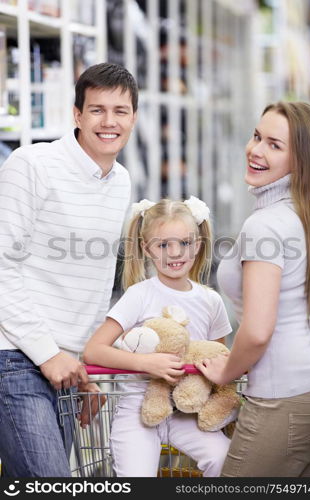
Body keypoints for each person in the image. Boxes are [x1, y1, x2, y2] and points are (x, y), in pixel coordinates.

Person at [0, 62, 138, 477]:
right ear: (76, 114)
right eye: (97, 110)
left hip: (66, 367)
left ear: (134, 117)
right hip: (16, 357)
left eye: (121, 111)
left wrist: (83, 367)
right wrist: (48, 354)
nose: (109, 122)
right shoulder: (31, 164)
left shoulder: (121, 182)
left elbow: (95, 285)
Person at [196, 101, 310, 477]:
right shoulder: (304, 214)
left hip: (282, 396)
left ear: (301, 160)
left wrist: (226, 371)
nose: (256, 150)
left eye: (275, 145)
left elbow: (258, 330)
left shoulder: (266, 226)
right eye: (256, 136)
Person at [84, 196, 233, 477]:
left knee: (223, 458)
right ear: (146, 248)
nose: (175, 253)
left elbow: (216, 358)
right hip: (137, 410)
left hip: (187, 413)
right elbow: (94, 351)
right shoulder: (139, 295)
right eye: (164, 245)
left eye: (185, 243)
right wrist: (148, 364)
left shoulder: (211, 301)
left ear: (198, 245)